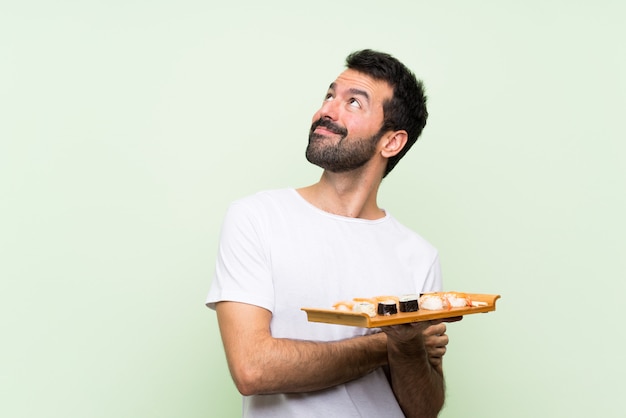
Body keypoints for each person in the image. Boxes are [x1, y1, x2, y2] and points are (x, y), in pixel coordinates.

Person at [206, 49, 457, 418]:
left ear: (391, 142)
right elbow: (252, 368)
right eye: (329, 95)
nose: (327, 110)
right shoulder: (257, 218)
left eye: (353, 102)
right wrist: (391, 343)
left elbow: (423, 411)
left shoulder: (418, 256)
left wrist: (408, 350)